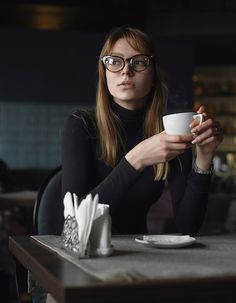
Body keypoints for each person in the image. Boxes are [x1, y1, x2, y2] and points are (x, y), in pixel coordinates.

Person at [62, 26, 223, 236]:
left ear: (154, 74)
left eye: (138, 62)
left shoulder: (171, 131)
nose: (126, 71)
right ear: (104, 74)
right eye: (115, 61)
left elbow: (188, 226)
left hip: (142, 255)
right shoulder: (79, 125)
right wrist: (136, 160)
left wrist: (204, 158)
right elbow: (74, 222)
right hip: (85, 256)